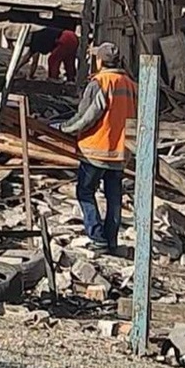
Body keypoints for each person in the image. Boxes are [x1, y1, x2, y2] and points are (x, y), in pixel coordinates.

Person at [55, 42, 137, 255]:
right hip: (120, 151)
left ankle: (96, 237)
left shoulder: (100, 82)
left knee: (85, 192)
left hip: (95, 150)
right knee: (114, 197)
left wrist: (67, 128)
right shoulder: (131, 85)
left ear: (100, 61)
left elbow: (88, 115)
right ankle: (111, 240)